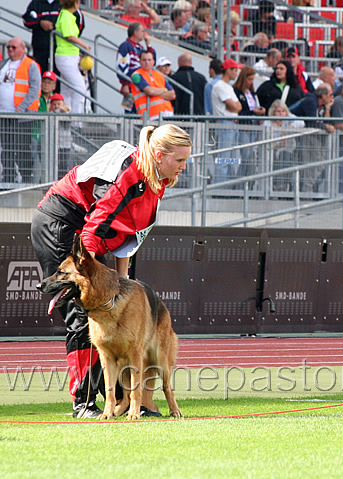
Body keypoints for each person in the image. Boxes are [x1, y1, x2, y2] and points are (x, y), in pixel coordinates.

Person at [31, 123, 192, 418]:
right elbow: (96, 224)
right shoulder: (130, 174)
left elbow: (128, 239)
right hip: (62, 223)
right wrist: (88, 275)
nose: (184, 167)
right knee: (86, 311)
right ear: (159, 155)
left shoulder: (157, 181)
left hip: (88, 233)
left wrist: (122, 282)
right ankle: (84, 403)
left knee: (111, 305)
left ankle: (125, 403)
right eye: (180, 161)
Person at [0, 37, 42, 184]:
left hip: (22, 117)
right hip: (4, 115)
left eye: (13, 47)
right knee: (7, 151)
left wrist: (21, 108)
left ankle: (26, 181)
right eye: (8, 47)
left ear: (22, 49)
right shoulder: (3, 64)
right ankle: (8, 180)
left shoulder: (31, 65)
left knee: (23, 150)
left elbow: (35, 89)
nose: (10, 50)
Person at [23, 0, 85, 76]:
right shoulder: (36, 3)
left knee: (59, 75)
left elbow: (80, 22)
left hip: (59, 48)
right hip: (40, 46)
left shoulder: (65, 2)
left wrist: (69, 35)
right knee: (39, 72)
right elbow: (26, 20)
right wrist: (40, 23)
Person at [55, 0, 90, 119]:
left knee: (67, 90)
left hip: (70, 56)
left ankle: (67, 117)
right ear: (75, 3)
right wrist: (84, 45)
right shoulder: (66, 15)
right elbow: (69, 35)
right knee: (80, 88)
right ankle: (76, 120)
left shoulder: (67, 15)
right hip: (66, 57)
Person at [210, 58, 243, 183]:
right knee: (223, 159)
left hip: (231, 123)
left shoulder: (228, 86)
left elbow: (238, 106)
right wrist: (234, 107)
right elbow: (235, 106)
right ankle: (219, 187)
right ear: (228, 71)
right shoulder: (219, 85)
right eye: (235, 70)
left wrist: (235, 107)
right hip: (225, 124)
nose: (236, 73)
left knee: (231, 159)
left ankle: (226, 187)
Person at [264, 100, 305, 192]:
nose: (281, 114)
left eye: (283, 111)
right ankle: (274, 185)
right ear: (273, 112)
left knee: (285, 156)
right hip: (271, 150)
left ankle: (281, 185)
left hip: (286, 150)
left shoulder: (288, 118)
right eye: (278, 111)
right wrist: (278, 145)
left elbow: (301, 122)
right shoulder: (268, 123)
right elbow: (267, 142)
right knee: (273, 159)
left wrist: (289, 128)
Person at [234, 65, 266, 178]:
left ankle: (246, 184)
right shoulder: (236, 92)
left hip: (254, 126)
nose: (251, 82)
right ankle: (239, 184)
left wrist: (260, 114)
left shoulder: (252, 93)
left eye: (252, 79)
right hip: (243, 127)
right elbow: (238, 113)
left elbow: (255, 107)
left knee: (251, 157)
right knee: (246, 157)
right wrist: (253, 113)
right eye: (249, 79)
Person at [116, 22, 155, 113]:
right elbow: (121, 67)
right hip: (130, 87)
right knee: (130, 113)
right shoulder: (125, 46)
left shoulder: (140, 47)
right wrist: (125, 84)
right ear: (135, 32)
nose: (144, 34)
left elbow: (152, 61)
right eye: (142, 31)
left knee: (141, 113)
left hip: (141, 86)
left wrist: (148, 45)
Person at [130, 50, 175, 119]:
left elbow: (172, 94)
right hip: (150, 115)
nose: (147, 62)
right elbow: (149, 91)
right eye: (144, 60)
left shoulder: (159, 75)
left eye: (149, 60)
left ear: (153, 62)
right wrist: (164, 90)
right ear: (140, 62)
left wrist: (155, 92)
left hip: (167, 113)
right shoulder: (136, 75)